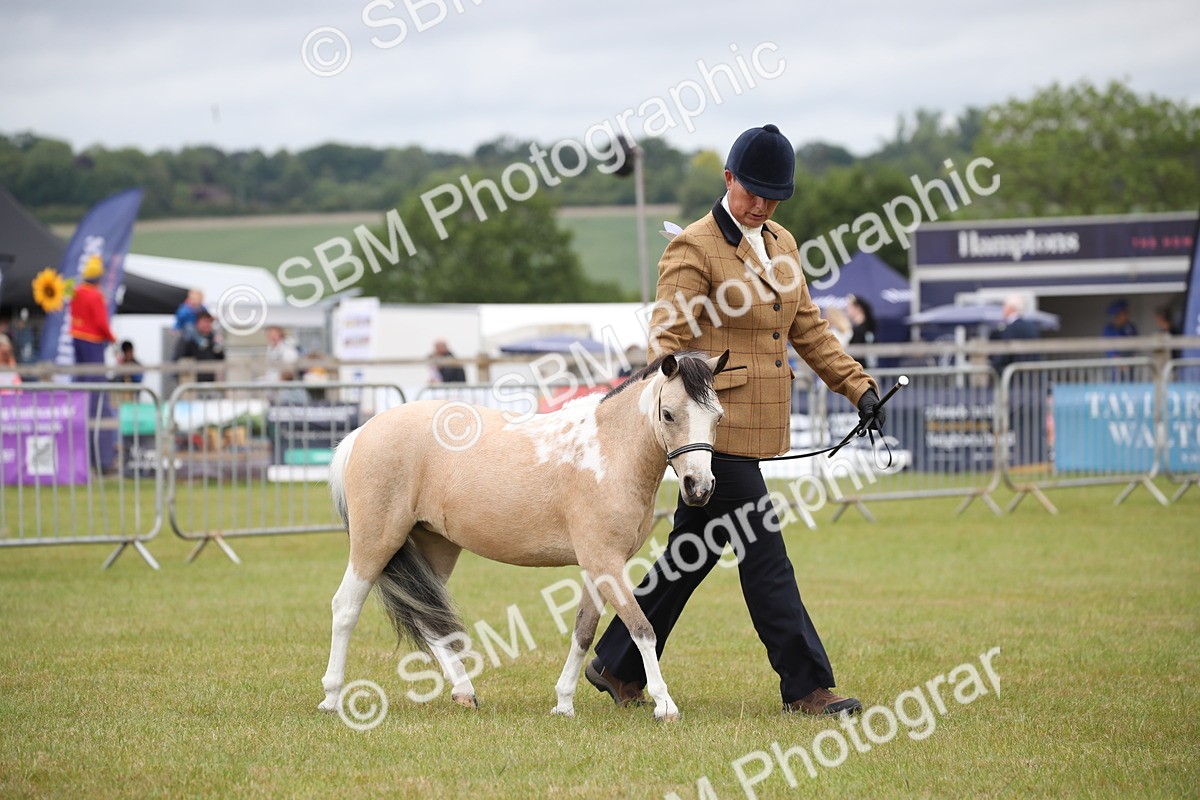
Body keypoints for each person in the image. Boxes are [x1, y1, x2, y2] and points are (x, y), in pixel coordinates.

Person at [587, 124, 884, 718]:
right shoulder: (693, 248)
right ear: (728, 179)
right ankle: (806, 686)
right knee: (766, 556)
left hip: (755, 429)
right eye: (753, 192)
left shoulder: (782, 242)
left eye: (775, 197)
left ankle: (617, 663)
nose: (763, 206)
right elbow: (667, 342)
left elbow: (808, 329)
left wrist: (860, 387)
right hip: (710, 433)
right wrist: (683, 415)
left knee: (691, 553)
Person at [69, 255, 118, 470]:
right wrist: (113, 338)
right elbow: (100, 322)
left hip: (77, 341)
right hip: (93, 344)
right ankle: (103, 458)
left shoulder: (75, 292)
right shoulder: (95, 295)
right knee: (98, 395)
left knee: (82, 390)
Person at [989, 294, 1041, 374]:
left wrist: (994, 365)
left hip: (1017, 376)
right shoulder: (1032, 326)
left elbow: (1005, 354)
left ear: (1010, 308)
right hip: (1033, 375)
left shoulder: (1010, 328)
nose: (1003, 309)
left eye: (1005, 306)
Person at [173, 311, 225, 382]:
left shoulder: (213, 339)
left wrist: (218, 346)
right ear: (197, 323)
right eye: (204, 321)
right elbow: (178, 358)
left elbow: (220, 358)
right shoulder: (188, 338)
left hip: (211, 381)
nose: (207, 324)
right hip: (191, 381)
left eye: (209, 322)